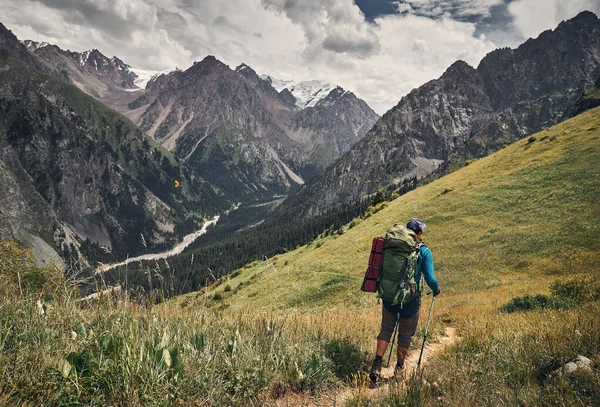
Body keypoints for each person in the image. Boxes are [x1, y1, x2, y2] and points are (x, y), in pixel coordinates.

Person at [369, 218, 441, 384]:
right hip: (410, 300)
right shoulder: (424, 251)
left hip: (389, 295)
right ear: (420, 233)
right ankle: (399, 369)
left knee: (386, 329)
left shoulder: (392, 245)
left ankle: (376, 366)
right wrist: (436, 290)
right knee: (404, 335)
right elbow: (430, 278)